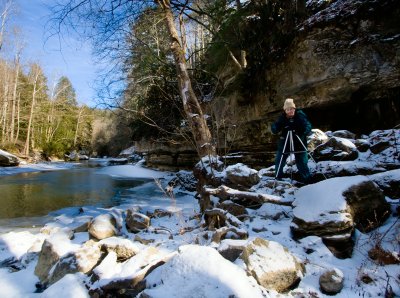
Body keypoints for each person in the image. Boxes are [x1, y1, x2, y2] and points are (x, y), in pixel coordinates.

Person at [271, 98, 312, 183]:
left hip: (299, 141)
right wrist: (275, 128)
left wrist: (303, 131)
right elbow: (275, 127)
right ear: (285, 110)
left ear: (294, 108)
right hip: (285, 142)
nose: (290, 111)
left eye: (292, 109)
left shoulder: (300, 115)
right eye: (288, 109)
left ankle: (307, 180)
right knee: (279, 160)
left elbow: (307, 125)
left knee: (302, 162)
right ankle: (278, 179)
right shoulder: (282, 118)